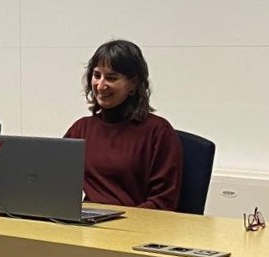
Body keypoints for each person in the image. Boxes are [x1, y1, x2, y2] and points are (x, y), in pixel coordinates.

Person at [64, 39, 183, 211]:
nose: (101, 85)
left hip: (136, 229)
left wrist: (120, 222)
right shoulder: (80, 129)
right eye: (97, 75)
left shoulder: (158, 132)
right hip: (87, 226)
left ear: (133, 84)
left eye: (111, 78)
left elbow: (163, 202)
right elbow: (57, 184)